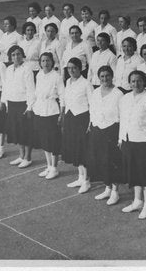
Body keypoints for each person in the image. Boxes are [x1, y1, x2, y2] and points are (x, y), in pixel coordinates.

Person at [118, 70, 146, 219]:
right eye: (133, 81)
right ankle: (137, 201)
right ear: (129, 83)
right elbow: (123, 120)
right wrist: (120, 138)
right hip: (129, 141)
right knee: (134, 172)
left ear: (145, 82)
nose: (136, 84)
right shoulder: (125, 99)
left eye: (139, 81)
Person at [87, 65, 125, 205]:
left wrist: (120, 137)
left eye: (107, 76)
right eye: (102, 76)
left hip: (112, 130)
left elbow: (122, 115)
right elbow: (92, 109)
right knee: (102, 160)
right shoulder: (96, 92)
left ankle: (115, 191)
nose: (105, 79)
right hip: (98, 129)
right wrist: (91, 124)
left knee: (113, 160)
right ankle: (107, 188)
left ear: (112, 76)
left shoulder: (118, 94)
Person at [62, 57, 94, 193]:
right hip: (71, 118)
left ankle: (87, 181)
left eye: (74, 68)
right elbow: (66, 100)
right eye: (69, 68)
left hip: (82, 118)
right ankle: (80, 177)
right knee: (75, 147)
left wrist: (90, 123)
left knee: (83, 149)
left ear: (80, 68)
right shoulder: (68, 82)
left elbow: (93, 105)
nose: (71, 71)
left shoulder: (87, 83)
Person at [0, 45, 35, 168]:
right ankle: (21, 156)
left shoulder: (27, 69)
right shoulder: (9, 69)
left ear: (22, 55)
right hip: (12, 103)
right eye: (13, 55)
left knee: (25, 131)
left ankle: (28, 157)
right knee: (17, 131)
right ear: (10, 57)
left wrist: (29, 107)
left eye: (18, 54)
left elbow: (31, 89)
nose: (16, 57)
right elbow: (6, 86)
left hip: (23, 104)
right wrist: (3, 101)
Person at [33, 52, 65, 179]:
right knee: (44, 140)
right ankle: (48, 166)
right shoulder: (39, 75)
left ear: (52, 62)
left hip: (52, 111)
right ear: (40, 63)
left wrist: (61, 113)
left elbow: (62, 95)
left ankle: (54, 168)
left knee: (53, 140)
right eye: (43, 61)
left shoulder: (57, 76)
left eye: (48, 61)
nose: (45, 63)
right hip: (40, 110)